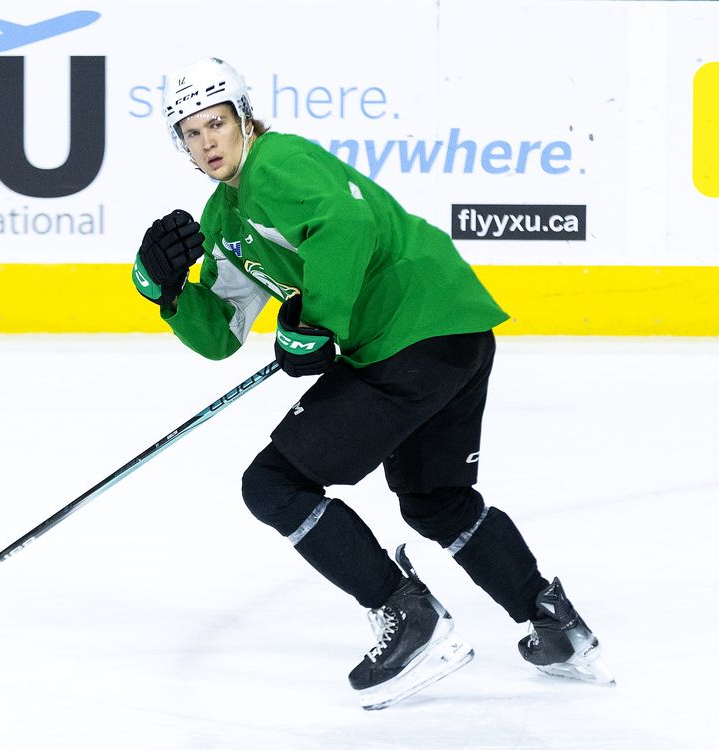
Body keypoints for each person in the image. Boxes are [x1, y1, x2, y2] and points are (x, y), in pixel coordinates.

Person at [131, 57, 613, 709]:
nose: (207, 141)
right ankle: (556, 626)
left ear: (244, 118)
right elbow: (220, 332)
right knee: (436, 500)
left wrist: (319, 322)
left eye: (216, 123)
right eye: (191, 133)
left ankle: (410, 616)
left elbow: (346, 225)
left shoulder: (276, 162)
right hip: (454, 331)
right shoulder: (223, 220)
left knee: (272, 485)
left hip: (408, 338)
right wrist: (164, 293)